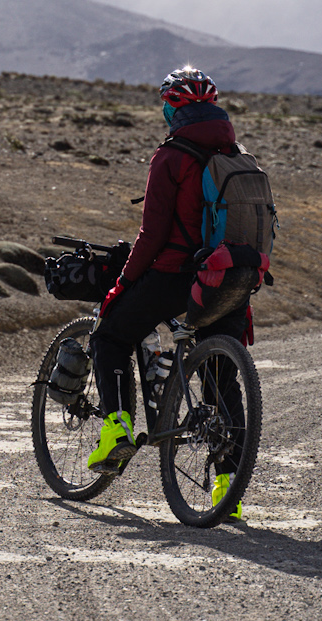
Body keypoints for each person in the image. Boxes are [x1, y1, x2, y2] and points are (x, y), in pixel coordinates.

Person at [84, 65, 250, 517]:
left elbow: (152, 234)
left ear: (172, 107)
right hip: (231, 277)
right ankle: (226, 492)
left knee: (110, 335)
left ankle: (116, 431)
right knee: (220, 376)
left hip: (177, 275)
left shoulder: (171, 156)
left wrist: (123, 283)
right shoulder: (237, 154)